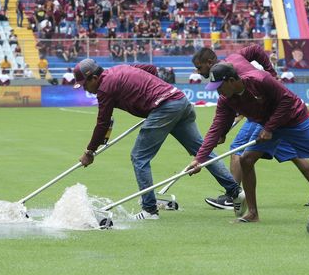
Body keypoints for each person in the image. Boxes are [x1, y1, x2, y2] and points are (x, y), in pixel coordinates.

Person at [192, 62, 309, 224]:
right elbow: (216, 128)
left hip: (296, 120)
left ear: (231, 81)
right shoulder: (226, 100)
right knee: (246, 160)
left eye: (220, 87)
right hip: (269, 126)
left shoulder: (260, 80)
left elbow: (287, 101)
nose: (217, 92)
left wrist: (269, 128)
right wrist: (199, 160)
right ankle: (252, 213)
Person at [74, 58, 243, 220]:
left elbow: (103, 123)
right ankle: (236, 191)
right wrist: (150, 95)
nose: (85, 89)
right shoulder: (120, 68)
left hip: (165, 107)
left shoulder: (104, 88)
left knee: (139, 157)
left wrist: (89, 152)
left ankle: (149, 210)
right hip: (179, 99)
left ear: (94, 78)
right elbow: (151, 69)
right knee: (202, 151)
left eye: (85, 85)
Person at [192, 47, 309, 206]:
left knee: (238, 150)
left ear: (209, 62)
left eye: (199, 67)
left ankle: (233, 196)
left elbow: (256, 53)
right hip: (266, 115)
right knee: (289, 151)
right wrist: (222, 132)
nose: (198, 72)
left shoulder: (232, 73)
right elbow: (225, 113)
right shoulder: (226, 70)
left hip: (265, 115)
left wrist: (271, 73)